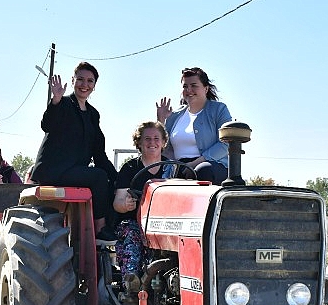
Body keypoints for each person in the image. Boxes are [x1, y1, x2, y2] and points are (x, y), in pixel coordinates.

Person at [31, 61, 118, 243]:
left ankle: (113, 229)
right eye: (80, 79)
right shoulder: (62, 104)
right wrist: (55, 100)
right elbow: (47, 125)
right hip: (54, 170)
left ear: (94, 86)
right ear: (73, 80)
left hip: (75, 171)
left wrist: (119, 178)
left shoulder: (93, 114)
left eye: (89, 81)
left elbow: (99, 154)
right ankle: (100, 229)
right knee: (98, 177)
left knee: (111, 181)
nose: (84, 85)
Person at [113, 121, 169, 291]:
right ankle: (132, 284)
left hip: (165, 226)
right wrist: (126, 205)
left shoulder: (172, 169)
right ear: (139, 143)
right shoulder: (129, 168)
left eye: (156, 138)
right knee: (131, 234)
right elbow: (118, 203)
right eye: (147, 139)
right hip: (135, 223)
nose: (152, 142)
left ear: (164, 142)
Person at [156, 67, 232, 185]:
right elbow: (163, 148)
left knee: (202, 171)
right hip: (179, 166)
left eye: (194, 85)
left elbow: (226, 143)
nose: (189, 90)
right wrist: (161, 120)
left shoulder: (219, 110)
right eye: (185, 86)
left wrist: (194, 164)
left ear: (206, 88)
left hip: (211, 165)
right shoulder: (175, 115)